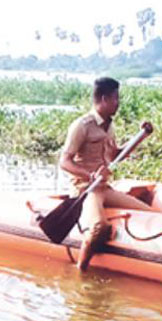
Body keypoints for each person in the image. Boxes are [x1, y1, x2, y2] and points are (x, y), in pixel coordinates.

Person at [59, 77, 153, 271]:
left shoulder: (109, 126)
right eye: (115, 99)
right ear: (103, 99)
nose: (118, 103)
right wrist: (90, 175)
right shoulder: (82, 126)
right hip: (85, 189)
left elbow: (117, 155)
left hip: (104, 188)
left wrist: (141, 136)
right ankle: (80, 269)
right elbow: (64, 161)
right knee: (99, 227)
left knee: (148, 213)